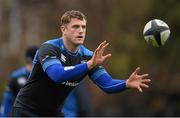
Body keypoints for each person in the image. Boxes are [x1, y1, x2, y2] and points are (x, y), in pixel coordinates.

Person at [10, 10, 151, 117]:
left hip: (53, 113)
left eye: (83, 27)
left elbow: (107, 84)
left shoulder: (88, 56)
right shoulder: (49, 48)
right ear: (63, 29)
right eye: (76, 27)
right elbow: (57, 75)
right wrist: (88, 65)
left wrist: (126, 83)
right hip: (26, 110)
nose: (81, 31)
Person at [0, 46, 38, 117]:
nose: (30, 66)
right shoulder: (16, 76)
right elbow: (7, 100)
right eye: (29, 63)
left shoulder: (44, 76)